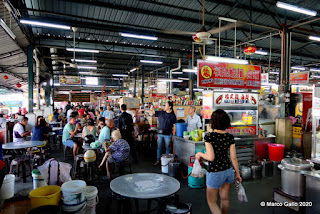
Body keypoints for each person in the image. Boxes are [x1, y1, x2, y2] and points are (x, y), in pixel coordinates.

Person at [195, 109, 242, 214]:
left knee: (211, 201)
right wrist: (237, 173)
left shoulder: (209, 136)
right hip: (228, 171)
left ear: (213, 122)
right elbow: (233, 157)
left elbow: (211, 157)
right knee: (225, 199)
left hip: (215, 172)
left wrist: (199, 154)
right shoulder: (229, 137)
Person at [146, 101, 176, 166]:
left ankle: (167, 161)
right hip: (160, 134)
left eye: (166, 105)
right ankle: (158, 160)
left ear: (170, 107)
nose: (164, 106)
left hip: (168, 134)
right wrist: (143, 110)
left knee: (168, 148)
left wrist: (173, 135)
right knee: (159, 147)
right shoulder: (161, 113)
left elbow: (174, 126)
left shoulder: (173, 116)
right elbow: (152, 112)